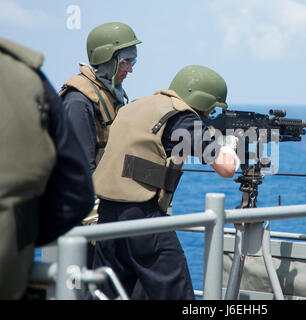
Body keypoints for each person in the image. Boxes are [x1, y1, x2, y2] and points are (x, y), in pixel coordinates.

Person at [91, 65, 239, 299]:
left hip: (108, 214)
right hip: (143, 217)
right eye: (211, 110)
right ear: (200, 100)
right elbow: (226, 168)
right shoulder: (183, 117)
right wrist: (229, 145)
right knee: (176, 293)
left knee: (105, 293)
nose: (210, 115)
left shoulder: (136, 106)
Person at [0, 38, 95, 299]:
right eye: (128, 61)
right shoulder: (28, 79)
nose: (131, 69)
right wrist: (18, 240)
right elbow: (76, 191)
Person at [60, 22, 142, 174]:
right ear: (107, 59)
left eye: (133, 62)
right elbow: (80, 167)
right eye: (125, 62)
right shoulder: (78, 101)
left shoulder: (109, 94)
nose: (130, 70)